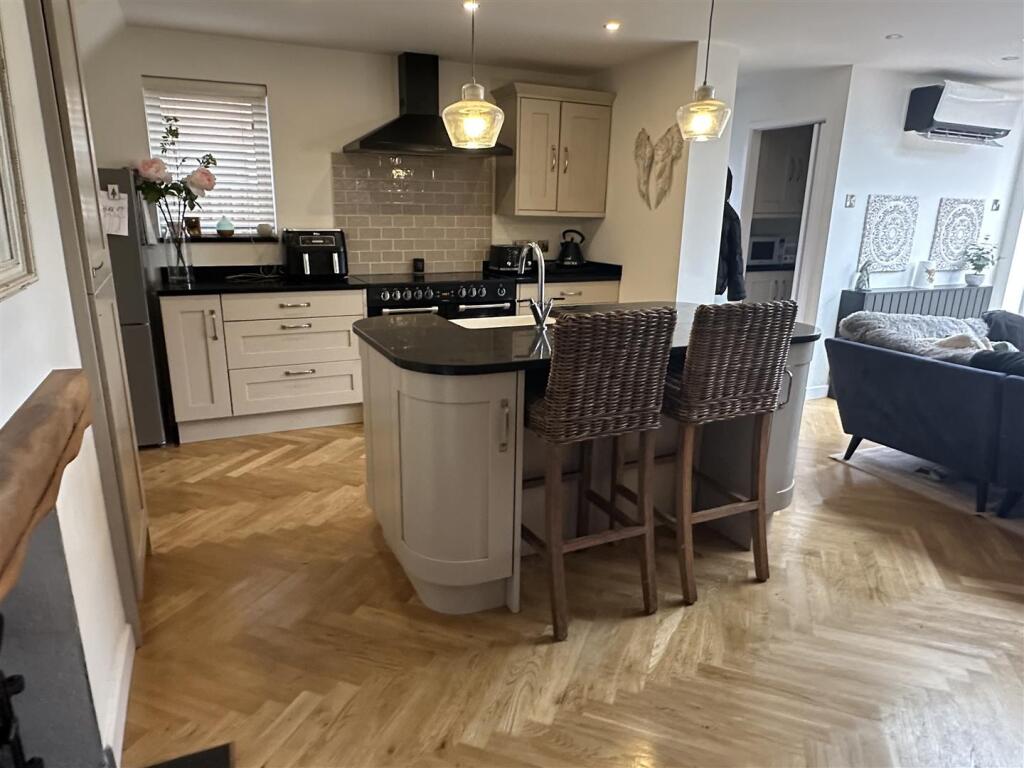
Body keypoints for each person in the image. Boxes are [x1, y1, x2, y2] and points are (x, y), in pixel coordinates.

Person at [717, 168, 746, 301]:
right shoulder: (729, 215)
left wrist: (737, 294)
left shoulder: (729, 216)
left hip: (717, 280)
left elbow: (735, 254)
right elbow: (736, 255)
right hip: (717, 279)